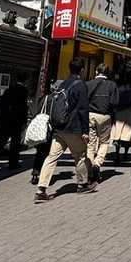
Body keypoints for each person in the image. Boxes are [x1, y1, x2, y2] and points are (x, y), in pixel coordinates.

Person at [34, 59, 93, 202]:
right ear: (82, 70)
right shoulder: (81, 85)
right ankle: (82, 184)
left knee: (51, 157)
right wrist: (85, 131)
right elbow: (83, 110)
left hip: (58, 128)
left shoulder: (63, 84)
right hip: (73, 128)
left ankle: (41, 188)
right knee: (80, 155)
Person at [0, 74, 29, 173]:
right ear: (26, 81)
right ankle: (13, 162)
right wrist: (24, 121)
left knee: (1, 142)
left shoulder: (9, 90)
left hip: (5, 120)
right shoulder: (23, 91)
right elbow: (23, 108)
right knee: (15, 143)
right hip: (16, 120)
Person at [84, 63, 117, 181]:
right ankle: (97, 164)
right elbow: (114, 102)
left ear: (96, 71)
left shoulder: (88, 84)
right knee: (104, 142)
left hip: (90, 115)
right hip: (105, 116)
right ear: (107, 73)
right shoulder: (112, 85)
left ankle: (89, 170)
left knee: (90, 144)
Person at [110, 70, 131, 164]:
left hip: (119, 113)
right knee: (128, 135)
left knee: (118, 134)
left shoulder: (119, 88)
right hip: (130, 112)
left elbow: (114, 100)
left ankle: (117, 154)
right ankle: (125, 154)